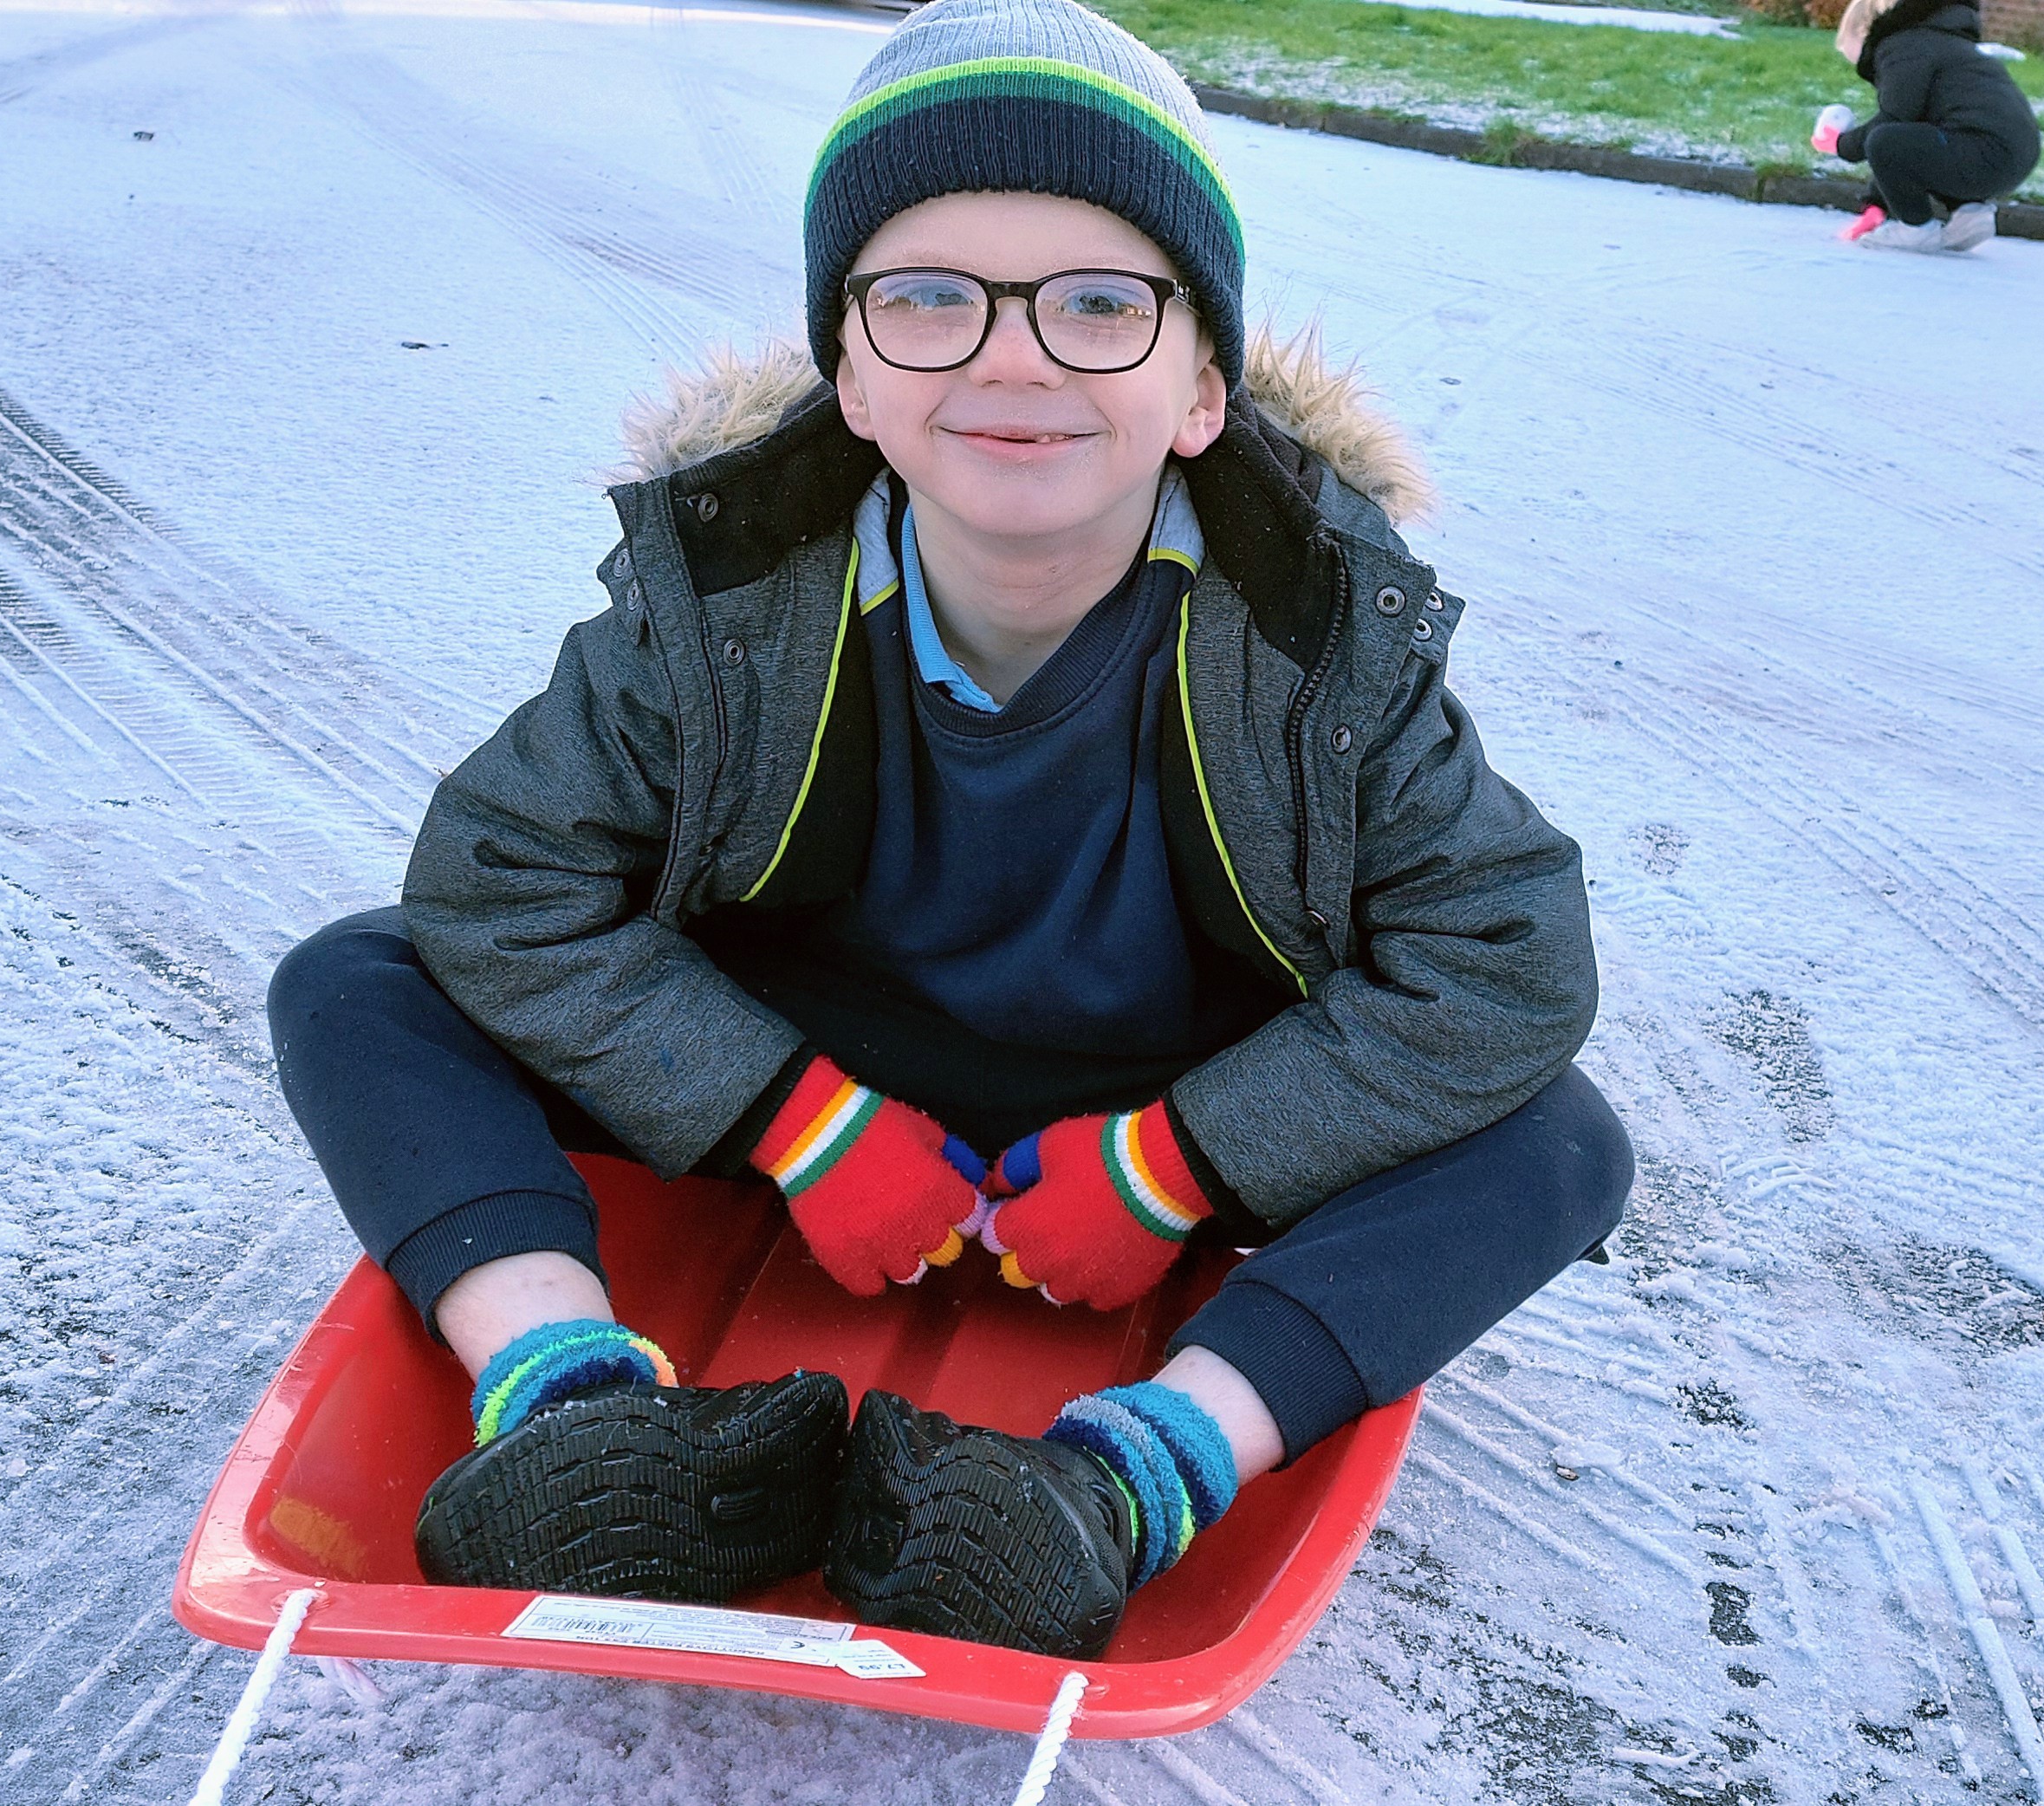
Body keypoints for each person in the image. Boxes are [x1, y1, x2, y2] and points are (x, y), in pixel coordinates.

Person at [261, 0, 1629, 1661]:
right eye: (926, 298)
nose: (1011, 357)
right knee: (360, 979)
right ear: (846, 374)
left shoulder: (1315, 629)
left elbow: (1504, 957)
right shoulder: (727, 599)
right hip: (808, 1051)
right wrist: (790, 1115)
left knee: (1555, 1134)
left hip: (1167, 1085)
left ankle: (1130, 1473)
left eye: (1099, 303)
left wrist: (1177, 1161)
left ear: (1203, 387)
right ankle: (572, 1401)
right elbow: (499, 878)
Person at [1813, 0, 2042, 253]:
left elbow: (1894, 121)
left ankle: (1916, 229)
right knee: (1924, 141)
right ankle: (1970, 215)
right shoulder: (1942, 42)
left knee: (1883, 139)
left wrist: (1841, 144)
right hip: (2015, 155)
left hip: (1981, 151)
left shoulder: (1902, 47)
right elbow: (1913, 142)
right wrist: (1875, 204)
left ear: (1864, 31)